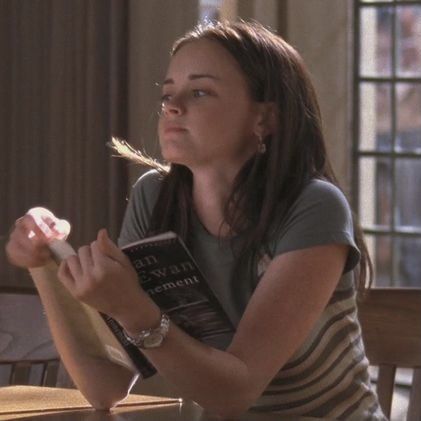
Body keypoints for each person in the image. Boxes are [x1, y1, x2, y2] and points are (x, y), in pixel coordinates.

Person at [6, 21, 386, 420]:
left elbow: (236, 391)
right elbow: (105, 387)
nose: (172, 105)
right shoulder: (154, 197)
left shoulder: (313, 207)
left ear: (265, 119)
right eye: (169, 93)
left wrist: (133, 309)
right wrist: (44, 263)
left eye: (200, 92)